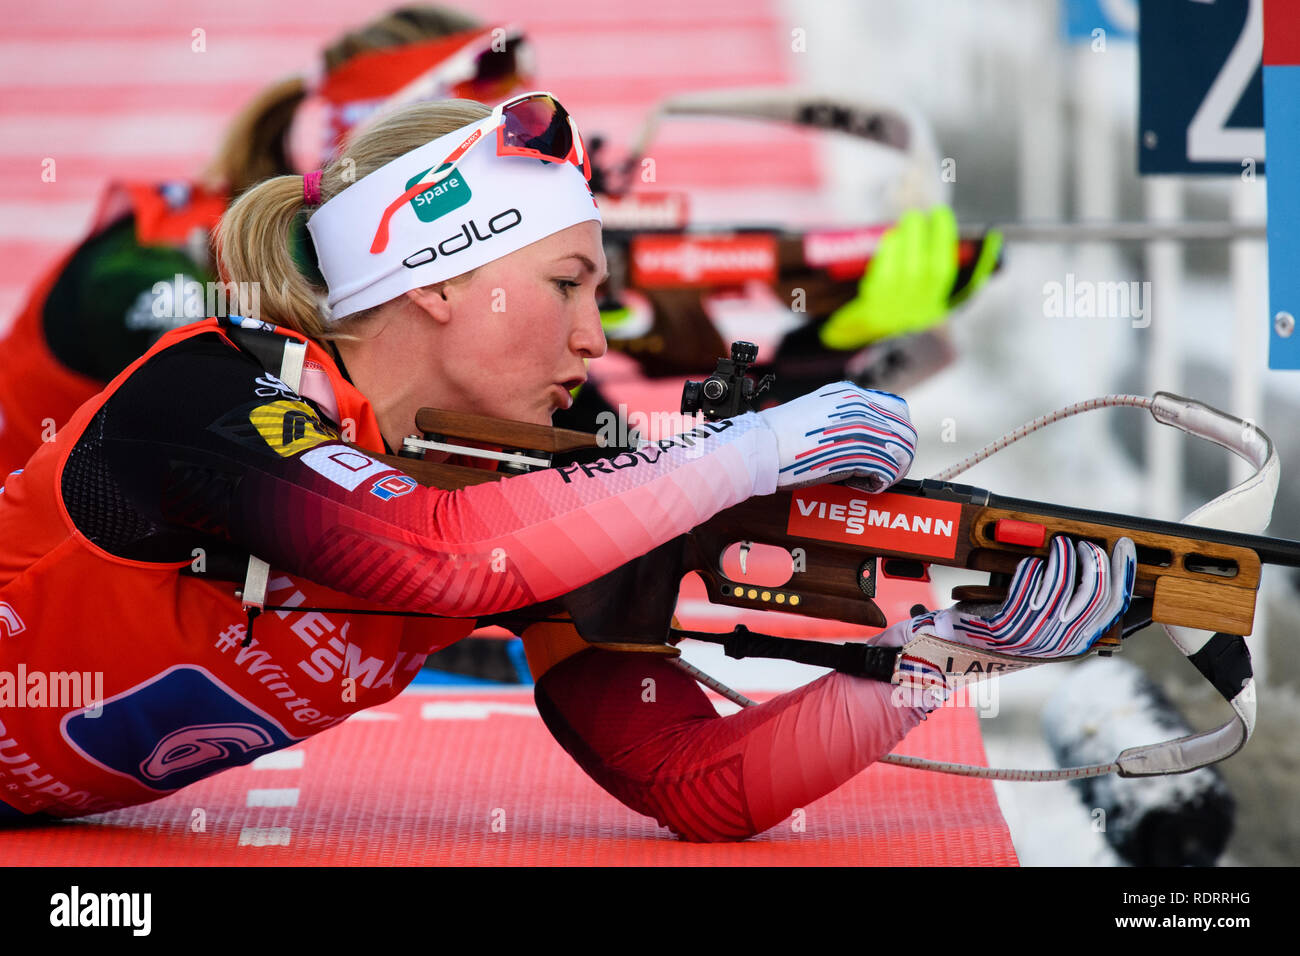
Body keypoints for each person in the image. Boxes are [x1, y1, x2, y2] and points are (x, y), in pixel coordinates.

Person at [0, 93, 1136, 840]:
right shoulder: (206, 390)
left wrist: (933, 658)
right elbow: (433, 561)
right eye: (565, 285)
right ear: (440, 283)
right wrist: (758, 446)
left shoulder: (491, 483)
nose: (598, 340)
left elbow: (693, 780)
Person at [0, 5, 532, 478]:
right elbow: (279, 463)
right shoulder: (159, 260)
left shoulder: (371, 258)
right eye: (477, 166)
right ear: (391, 141)